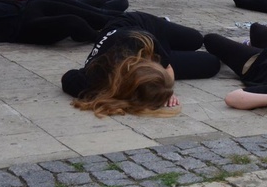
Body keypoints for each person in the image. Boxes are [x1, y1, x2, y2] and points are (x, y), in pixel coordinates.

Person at [61, 12, 221, 117]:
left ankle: (164, 23)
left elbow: (168, 68)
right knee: (211, 63)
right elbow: (67, 79)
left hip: (138, 24)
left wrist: (168, 89)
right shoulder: (97, 80)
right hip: (126, 42)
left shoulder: (144, 41)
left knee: (195, 39)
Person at [0, 0, 117, 45]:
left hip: (30, 4)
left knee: (100, 17)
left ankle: (133, 19)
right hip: (23, 26)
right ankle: (102, 36)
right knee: (74, 22)